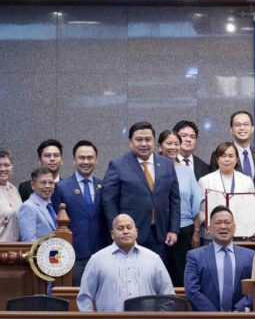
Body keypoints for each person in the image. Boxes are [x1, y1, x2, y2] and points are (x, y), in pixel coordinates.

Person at [101, 121, 180, 261]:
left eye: (148, 139)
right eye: (139, 140)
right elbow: (109, 201)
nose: (144, 144)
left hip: (160, 235)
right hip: (129, 235)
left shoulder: (166, 164)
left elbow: (174, 200)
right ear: (130, 142)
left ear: (154, 142)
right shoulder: (118, 165)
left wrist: (173, 229)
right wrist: (117, 230)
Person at [77, 213, 174, 312]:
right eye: (120, 228)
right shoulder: (97, 260)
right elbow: (85, 297)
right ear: (112, 234)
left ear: (136, 232)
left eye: (129, 227)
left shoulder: (153, 259)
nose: (125, 231)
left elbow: (167, 295)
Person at [51, 140, 107, 285]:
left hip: (101, 253)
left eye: (90, 158)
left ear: (96, 160)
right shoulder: (61, 188)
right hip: (74, 255)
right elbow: (57, 224)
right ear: (74, 160)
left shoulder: (103, 186)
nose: (86, 161)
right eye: (82, 158)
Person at [184, 205, 255, 312]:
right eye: (218, 223)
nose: (223, 226)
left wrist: (238, 311)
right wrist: (215, 316)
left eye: (227, 222)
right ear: (209, 229)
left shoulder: (250, 256)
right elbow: (192, 290)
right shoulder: (195, 256)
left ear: (234, 228)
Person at [158, 129, 203, 286]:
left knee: (181, 274)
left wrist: (196, 232)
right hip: (158, 229)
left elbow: (196, 203)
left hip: (184, 230)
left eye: (176, 143)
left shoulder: (186, 172)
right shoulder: (152, 170)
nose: (173, 147)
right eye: (168, 143)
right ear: (159, 146)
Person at [197, 142, 255, 241]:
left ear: (236, 160)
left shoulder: (247, 180)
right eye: (223, 156)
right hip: (212, 234)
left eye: (231, 156)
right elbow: (199, 209)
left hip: (240, 233)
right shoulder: (205, 180)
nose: (227, 159)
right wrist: (209, 223)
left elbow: (252, 208)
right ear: (217, 159)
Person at [209, 110, 255, 188]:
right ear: (231, 130)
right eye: (237, 125)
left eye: (246, 124)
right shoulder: (220, 154)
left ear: (252, 128)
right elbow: (214, 184)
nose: (242, 128)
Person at [19, 166, 58, 242]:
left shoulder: (49, 206)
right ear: (33, 185)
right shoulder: (28, 207)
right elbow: (28, 241)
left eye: (51, 183)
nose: (47, 186)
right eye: (43, 182)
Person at [18, 139, 63, 203]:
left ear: (62, 161)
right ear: (39, 160)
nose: (52, 159)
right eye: (47, 155)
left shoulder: (67, 188)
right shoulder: (26, 188)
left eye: (56, 155)